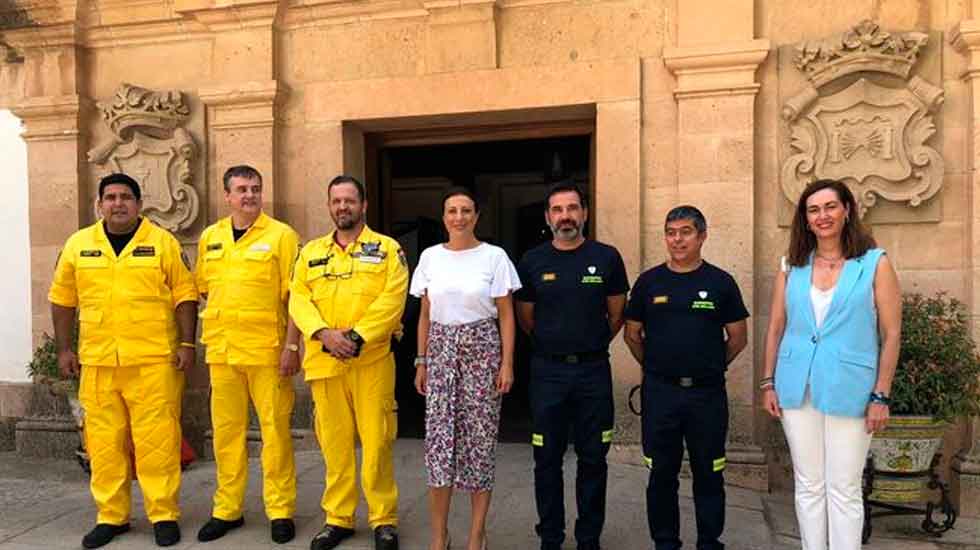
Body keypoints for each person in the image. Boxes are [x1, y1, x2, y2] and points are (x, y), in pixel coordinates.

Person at [48, 173, 198, 548]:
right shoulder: (78, 245)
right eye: (111, 197)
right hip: (98, 363)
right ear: (99, 204)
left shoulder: (162, 243)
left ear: (139, 203)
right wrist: (64, 349)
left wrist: (186, 343)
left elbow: (185, 295)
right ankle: (112, 516)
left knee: (158, 442)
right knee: (103, 444)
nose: (118, 203)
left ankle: (163, 513)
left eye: (126, 197)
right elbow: (62, 299)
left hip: (152, 361)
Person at [761, 179, 901, 550]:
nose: (822, 216)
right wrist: (767, 382)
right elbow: (776, 326)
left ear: (846, 211)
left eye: (829, 207)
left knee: (844, 486)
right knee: (808, 484)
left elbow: (891, 333)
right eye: (813, 210)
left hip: (851, 388)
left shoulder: (874, 263)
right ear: (805, 220)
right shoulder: (791, 265)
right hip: (797, 385)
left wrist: (881, 395)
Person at [289, 175, 409, 550]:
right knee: (334, 445)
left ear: (364, 205)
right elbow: (297, 298)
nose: (343, 207)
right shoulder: (310, 253)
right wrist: (324, 334)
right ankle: (338, 518)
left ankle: (383, 519)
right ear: (329, 206)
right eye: (336, 201)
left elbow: (393, 299)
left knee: (377, 443)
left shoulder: (388, 250)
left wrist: (355, 338)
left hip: (371, 361)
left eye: (350, 200)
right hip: (325, 363)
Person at [623, 205, 749, 550]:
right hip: (660, 394)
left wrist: (709, 366)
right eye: (671, 232)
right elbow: (632, 334)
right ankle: (665, 542)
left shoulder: (721, 283)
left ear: (702, 236)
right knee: (661, 473)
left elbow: (738, 337)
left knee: (709, 472)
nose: (677, 239)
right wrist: (657, 368)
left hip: (706, 396)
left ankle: (709, 542)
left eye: (685, 232)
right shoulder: (649, 282)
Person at [514, 182, 629, 550]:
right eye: (558, 210)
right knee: (546, 459)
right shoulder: (532, 261)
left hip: (593, 372)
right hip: (547, 373)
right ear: (548, 218)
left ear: (585, 213)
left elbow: (616, 315)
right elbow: (526, 320)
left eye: (572, 208)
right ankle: (550, 536)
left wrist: (588, 344)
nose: (566, 216)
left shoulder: (607, 257)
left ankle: (588, 538)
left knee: (593, 459)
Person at [194, 165, 302, 544]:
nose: (250, 195)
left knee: (275, 434)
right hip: (222, 352)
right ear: (227, 195)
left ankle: (280, 509)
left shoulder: (282, 236)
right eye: (241, 189)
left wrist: (292, 345)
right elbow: (205, 289)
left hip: (267, 353)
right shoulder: (211, 237)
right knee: (227, 434)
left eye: (256, 188)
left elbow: (296, 297)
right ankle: (228, 508)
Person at [411, 187, 521, 550]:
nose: (459, 217)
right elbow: (425, 315)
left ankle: (477, 533)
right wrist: (421, 361)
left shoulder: (494, 257)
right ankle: (439, 535)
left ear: (477, 216)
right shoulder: (430, 258)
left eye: (466, 210)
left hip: (482, 354)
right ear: (444, 217)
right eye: (452, 211)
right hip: (440, 354)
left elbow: (506, 315)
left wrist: (506, 363)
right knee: (439, 447)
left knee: (480, 443)